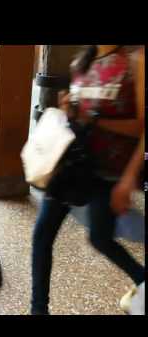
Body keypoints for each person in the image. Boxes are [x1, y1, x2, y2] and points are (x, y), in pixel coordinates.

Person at [30, 45, 145, 315]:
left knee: (100, 239)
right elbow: (79, 118)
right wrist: (68, 109)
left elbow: (141, 126)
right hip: (73, 166)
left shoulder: (135, 62)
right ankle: (38, 310)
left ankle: (142, 278)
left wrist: (128, 179)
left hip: (107, 173)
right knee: (42, 236)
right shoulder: (81, 62)